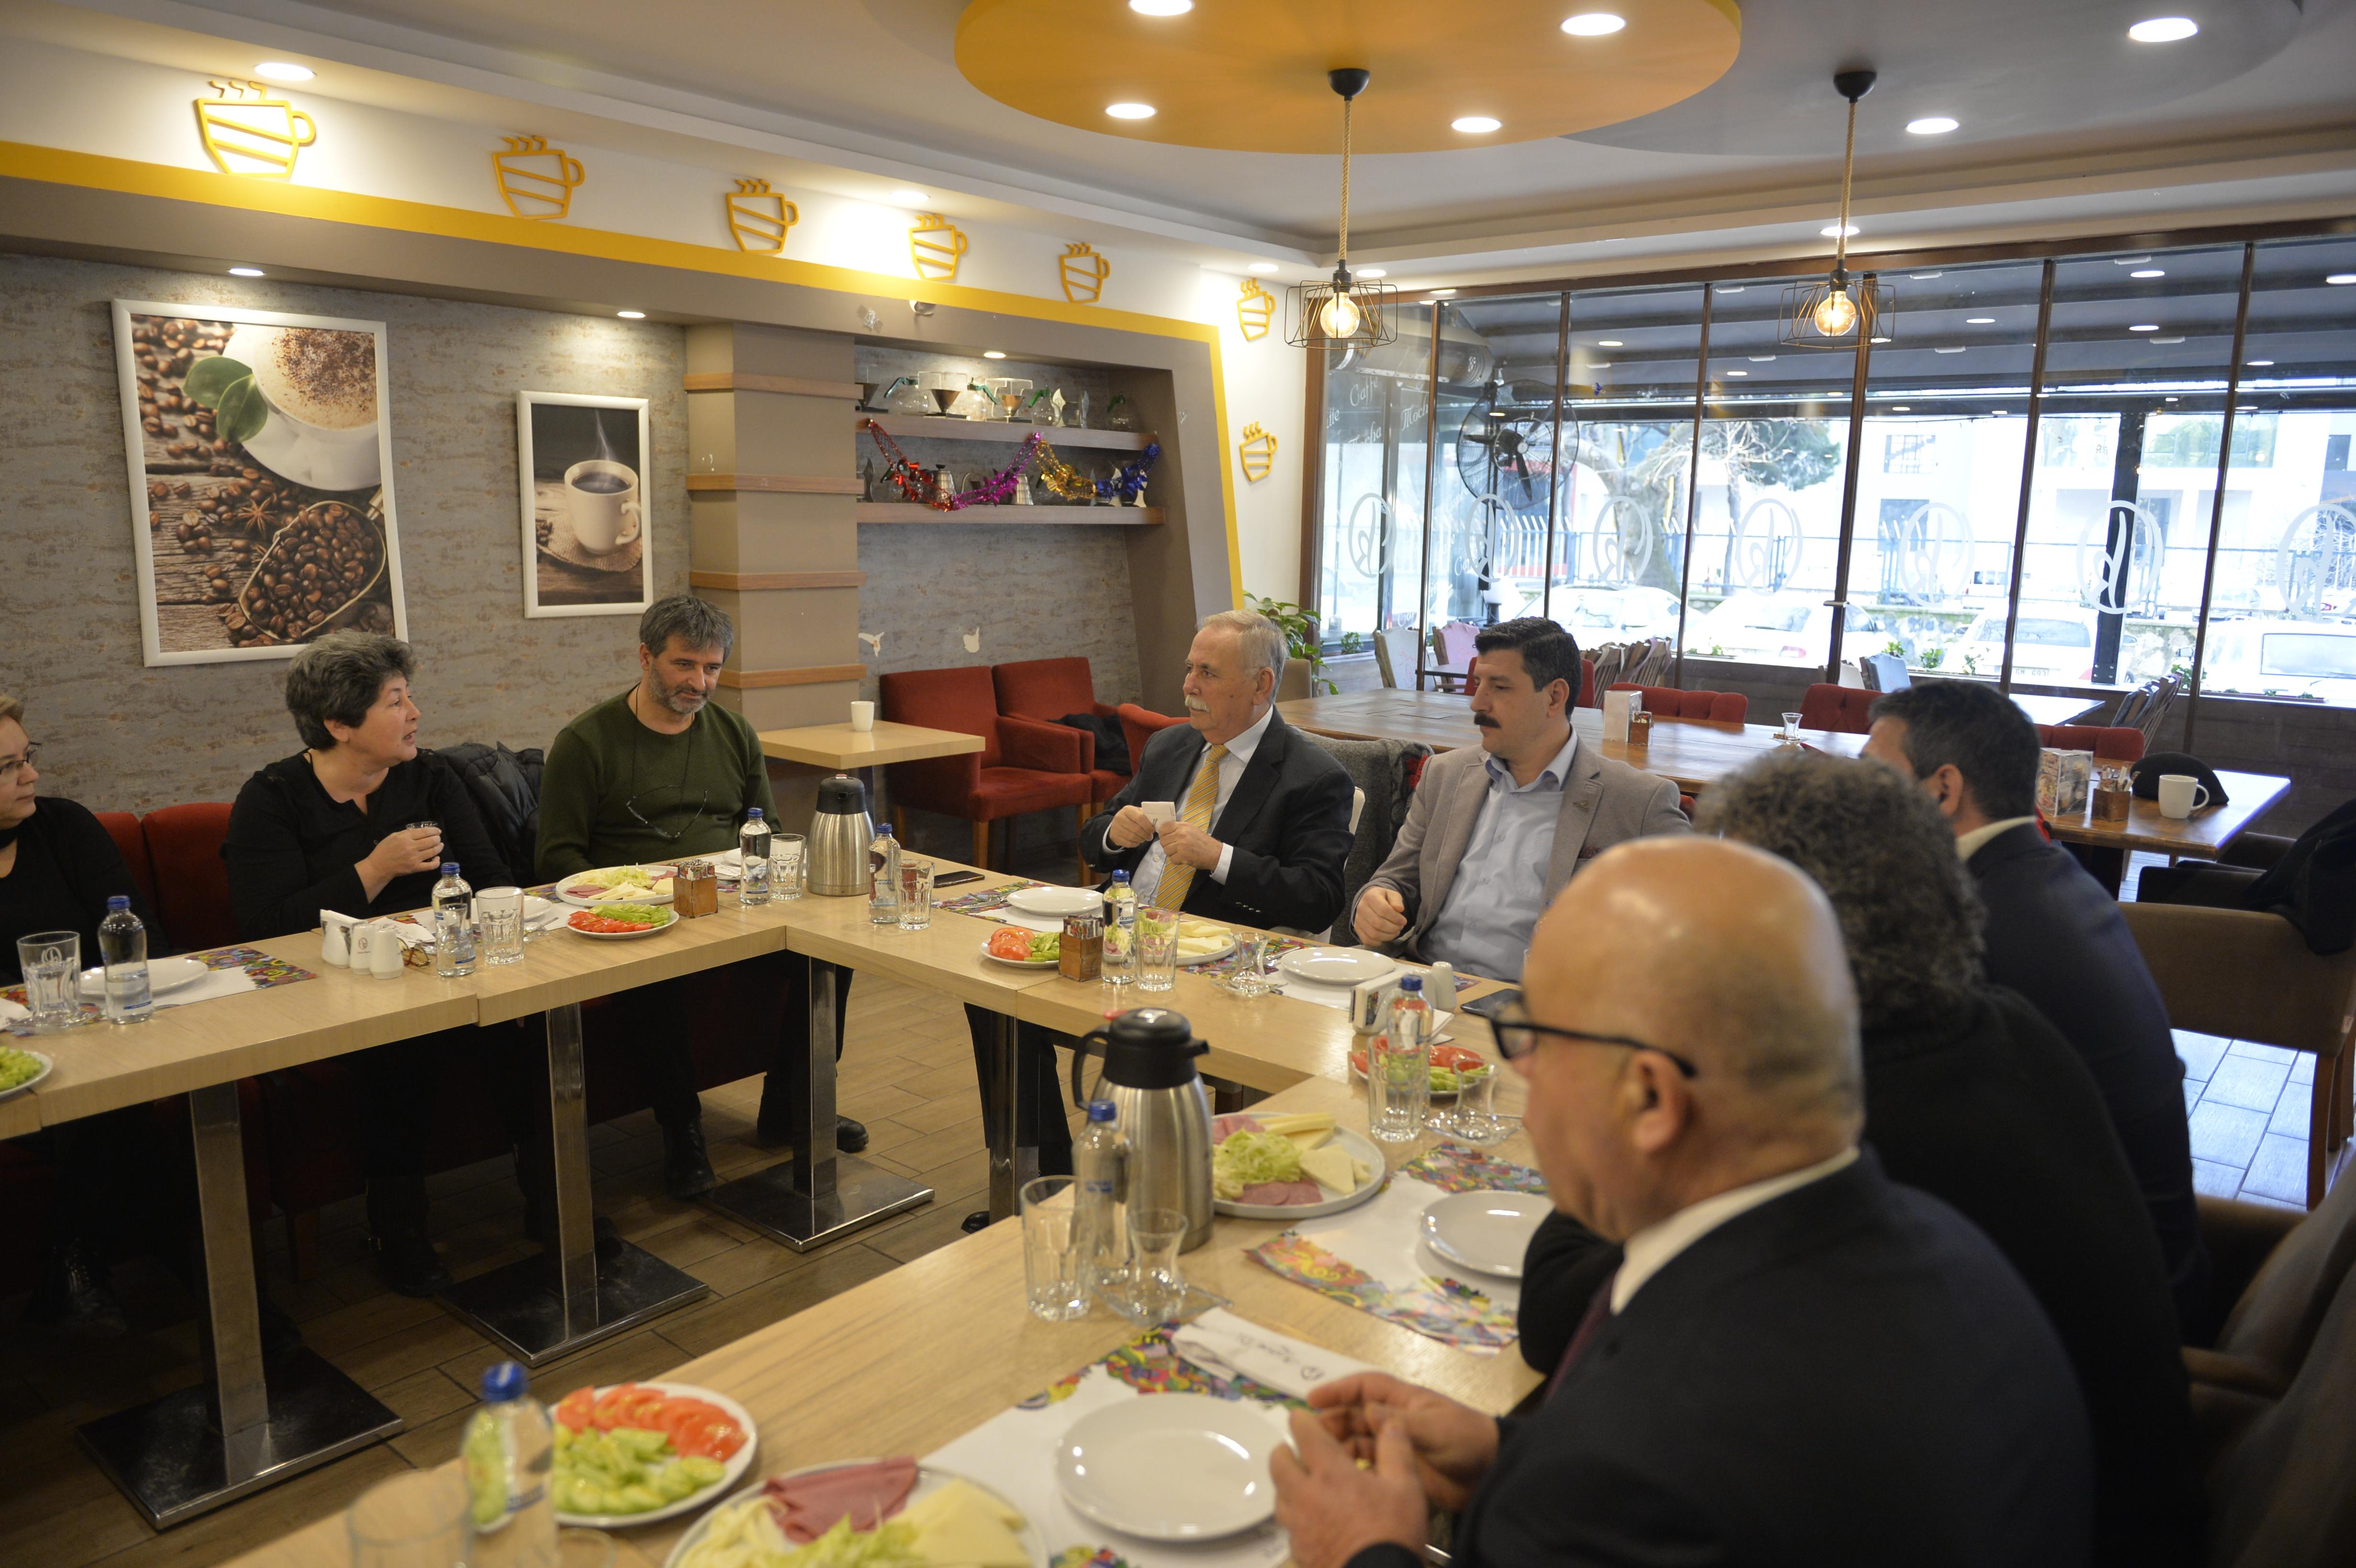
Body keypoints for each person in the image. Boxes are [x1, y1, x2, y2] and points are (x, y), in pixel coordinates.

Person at [1270, 836, 2094, 1568]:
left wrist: (1363, 1550)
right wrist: (1504, 1449)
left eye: (1535, 1035)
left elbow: (1649, 1477)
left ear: (1651, 1098)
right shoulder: (1957, 1252)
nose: (1519, 1068)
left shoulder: (1621, 1472)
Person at [1522, 753, 2198, 1567]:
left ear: (1792, 941)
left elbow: (1557, 1310)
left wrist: (1611, 1099)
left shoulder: (1839, 1128)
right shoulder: (2008, 1027)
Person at [957, 610, 1356, 1230]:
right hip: (1115, 934)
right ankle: (1047, 1179)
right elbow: (1094, 840)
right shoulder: (1171, 746)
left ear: (1261, 685)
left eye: (1207, 673)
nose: (1188, 686)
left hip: (1205, 965)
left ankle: (1132, 1187)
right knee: (995, 995)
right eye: (1190, 669)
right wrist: (1111, 833)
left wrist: (1218, 857)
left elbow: (1318, 897)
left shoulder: (1313, 777)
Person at [1861, 679, 2210, 1335]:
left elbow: (1894, 1135)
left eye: (1872, 776)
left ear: (1942, 789)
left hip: (2104, 1325)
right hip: (2160, 1267)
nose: (1856, 799)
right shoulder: (2053, 878)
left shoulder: (1974, 927)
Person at [537, 595, 861, 1201]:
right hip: (637, 916)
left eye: (712, 668)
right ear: (645, 657)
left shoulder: (733, 732)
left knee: (827, 955)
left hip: (730, 907)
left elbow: (763, 831)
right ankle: (681, 1129)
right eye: (684, 665)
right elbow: (557, 858)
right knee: (653, 983)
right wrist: (631, 900)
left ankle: (793, 1104)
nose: (700, 683)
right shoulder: (586, 741)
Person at [223, 632, 515, 1296]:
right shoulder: (273, 798)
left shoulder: (431, 777)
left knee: (522, 1022)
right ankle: (398, 1229)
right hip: (334, 995)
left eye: (409, 697)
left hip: (443, 971)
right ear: (338, 724)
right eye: (395, 701)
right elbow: (265, 931)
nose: (415, 713)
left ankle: (552, 1200)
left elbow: (493, 879)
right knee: (401, 1050)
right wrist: (375, 869)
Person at [1352, 617, 1686, 980]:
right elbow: (1396, 879)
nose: (1477, 703)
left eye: (1500, 687)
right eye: (1478, 683)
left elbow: (1697, 934)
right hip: (1422, 983)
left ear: (1554, 697)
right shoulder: (1445, 775)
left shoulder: (1638, 803)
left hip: (1539, 1002)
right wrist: (1375, 901)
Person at [0, 695, 169, 1336]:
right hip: (12, 1067)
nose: (32, 775)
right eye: (9, 767)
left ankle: (69, 1270)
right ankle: (247, 1315)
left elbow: (142, 940)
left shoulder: (64, 826)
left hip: (98, 1040)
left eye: (28, 756)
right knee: (122, 1117)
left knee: (109, 1098)